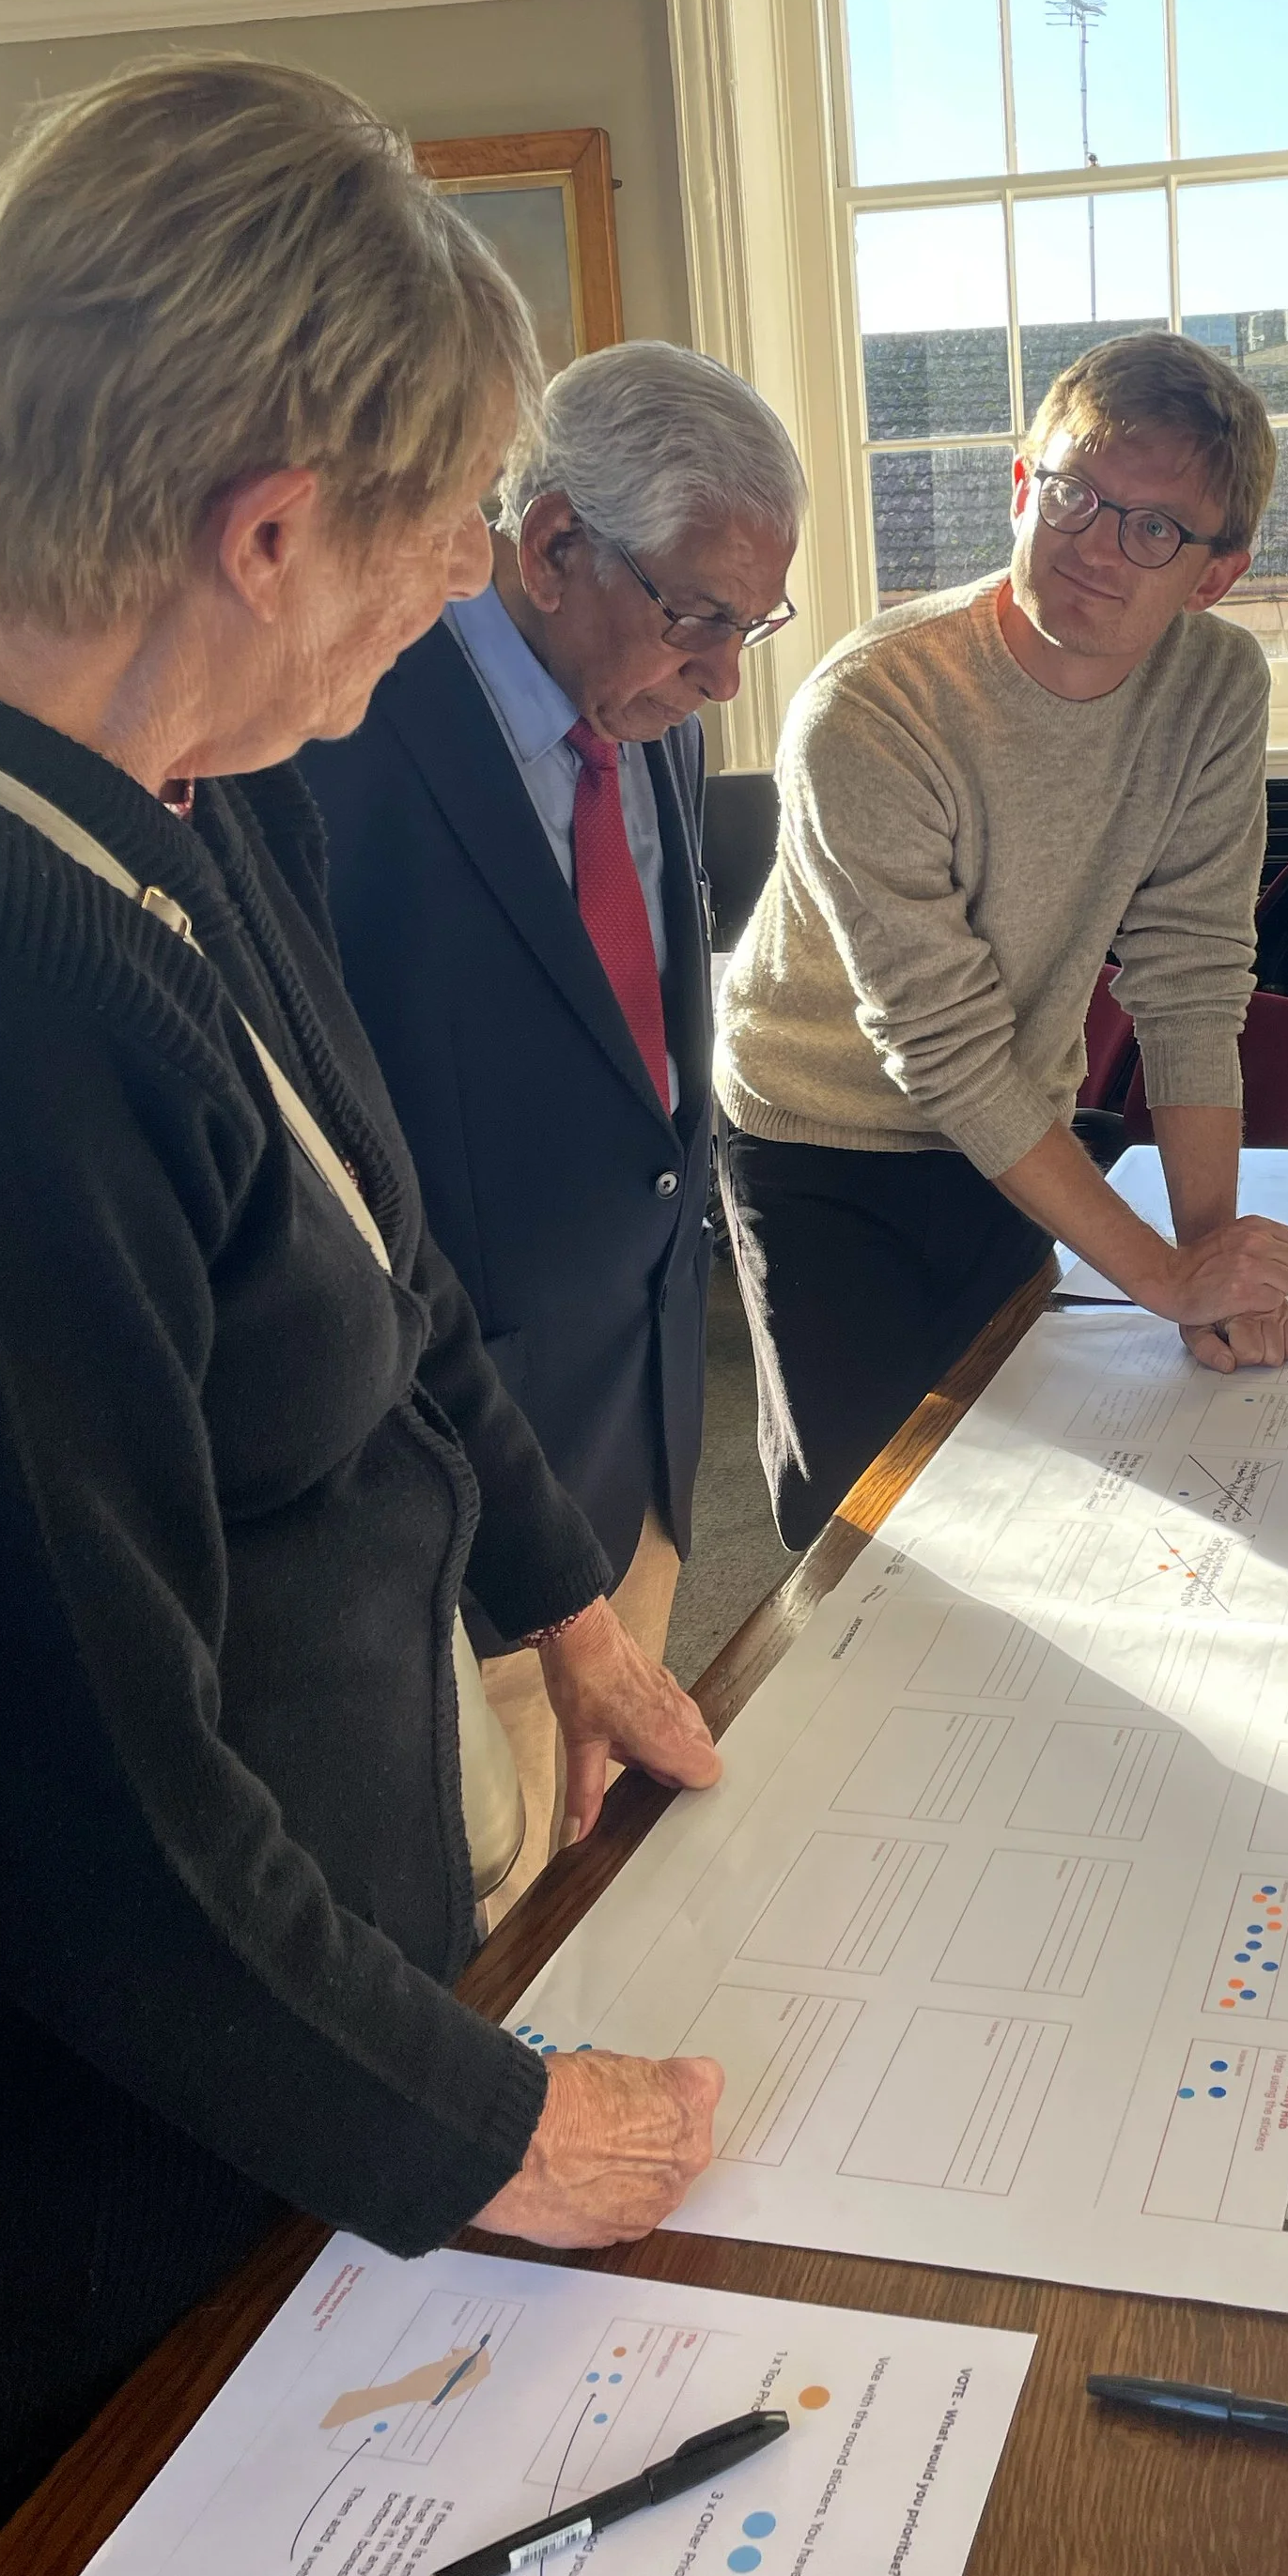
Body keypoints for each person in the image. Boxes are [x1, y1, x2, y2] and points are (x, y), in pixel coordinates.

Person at [0, 57, 725, 2576]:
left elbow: (387, 1242)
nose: (455, 588)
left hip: (309, 2021)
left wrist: (558, 1597)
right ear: (264, 529)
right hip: (98, 2149)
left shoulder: (202, 767)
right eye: (436, 534)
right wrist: (499, 2133)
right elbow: (66, 1802)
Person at [307, 344, 802, 1903]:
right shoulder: (342, 730)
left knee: (611, 1875)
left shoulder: (658, 710)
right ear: (552, 548)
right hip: (463, 1479)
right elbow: (334, 1161)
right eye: (704, 616)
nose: (728, 674)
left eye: (755, 624)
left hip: (648, 1417)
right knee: (494, 1901)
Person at [715, 330, 1288, 1550]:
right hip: (816, 1130)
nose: (1098, 543)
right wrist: (1161, 1278)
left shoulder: (1214, 688)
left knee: (1014, 1472)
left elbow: (1191, 985)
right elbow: (936, 1049)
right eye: (1076, 493)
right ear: (1020, 482)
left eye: (1155, 527)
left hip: (1014, 1125)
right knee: (858, 1524)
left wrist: (1207, 1266)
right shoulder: (873, 703)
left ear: (1215, 574)